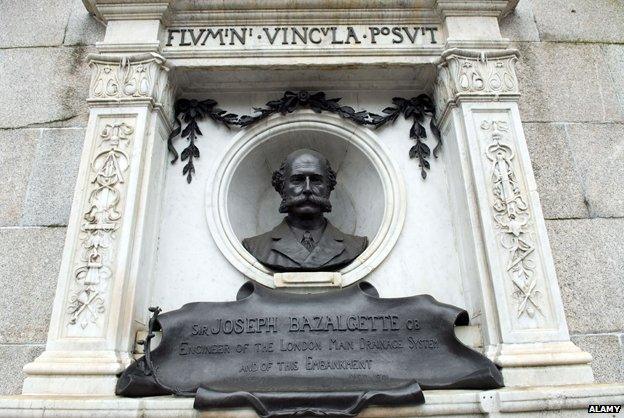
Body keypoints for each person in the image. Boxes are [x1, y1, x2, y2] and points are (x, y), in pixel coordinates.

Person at [242, 149, 368, 271]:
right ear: (281, 188)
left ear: (329, 187)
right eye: (297, 180)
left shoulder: (355, 246)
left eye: (316, 180)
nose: (307, 189)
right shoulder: (257, 247)